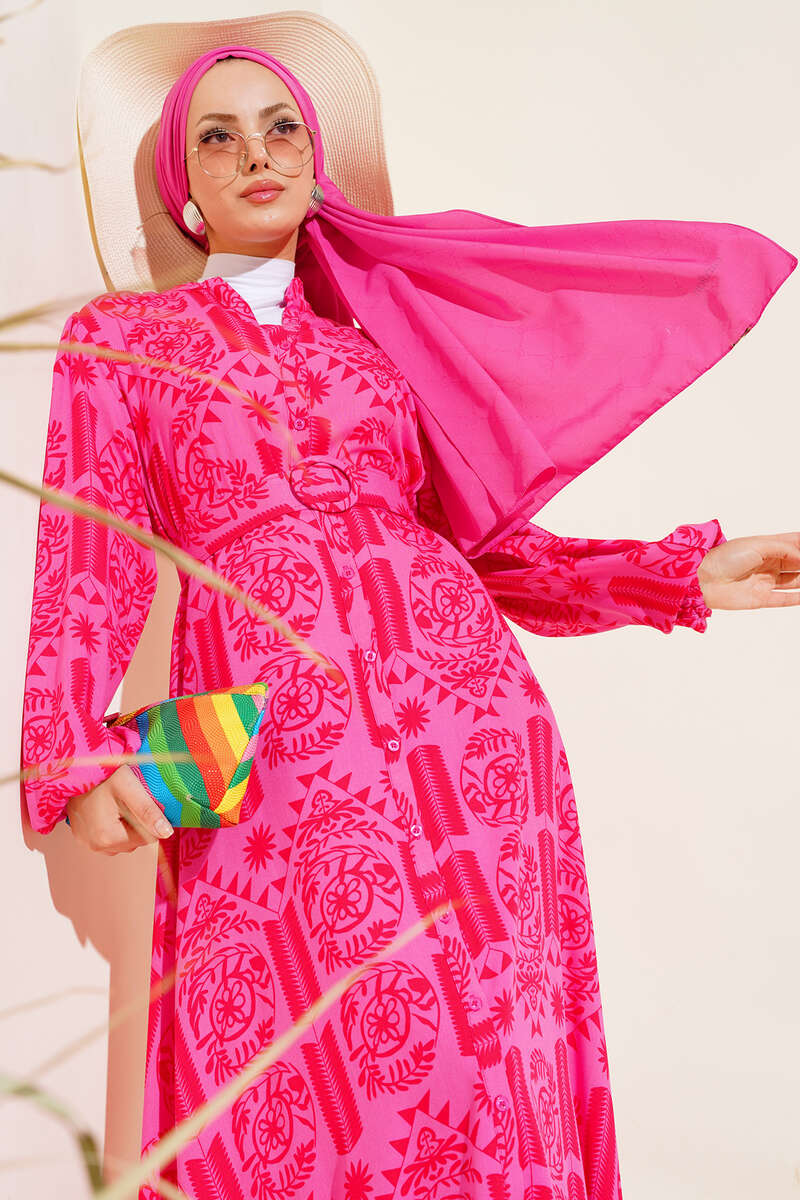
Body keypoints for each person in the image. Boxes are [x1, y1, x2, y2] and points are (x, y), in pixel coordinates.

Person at [19, 30, 799, 1200]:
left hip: (467, 736)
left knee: (484, 1055)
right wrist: (73, 758)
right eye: (218, 137)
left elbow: (485, 549)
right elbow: (88, 560)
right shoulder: (123, 344)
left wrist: (678, 574)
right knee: (297, 1062)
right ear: (183, 183)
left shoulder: (380, 350)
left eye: (281, 128)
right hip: (270, 753)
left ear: (317, 163)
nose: (255, 155)